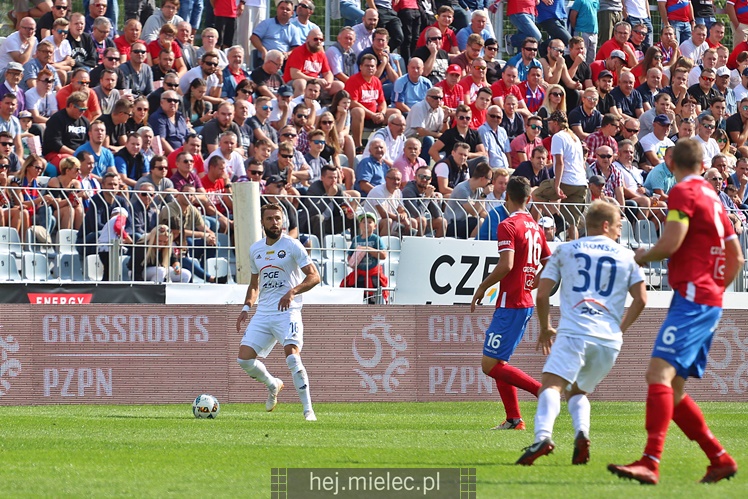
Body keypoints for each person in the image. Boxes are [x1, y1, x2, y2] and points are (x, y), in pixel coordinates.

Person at [608, 139, 743, 485]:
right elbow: (737, 259)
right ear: (702, 164)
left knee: (658, 375)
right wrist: (713, 290)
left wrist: (636, 256)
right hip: (707, 298)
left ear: (670, 162)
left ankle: (650, 462)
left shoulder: (682, 192)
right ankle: (719, 458)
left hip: (693, 298)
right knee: (675, 388)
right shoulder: (715, 197)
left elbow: (671, 242)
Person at [516, 200, 647, 465]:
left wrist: (545, 327)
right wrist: (619, 329)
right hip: (609, 341)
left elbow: (542, 294)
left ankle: (543, 437)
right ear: (606, 225)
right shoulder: (626, 255)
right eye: (619, 226)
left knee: (551, 386)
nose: (620, 231)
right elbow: (641, 299)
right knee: (577, 392)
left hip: (576, 331)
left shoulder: (565, 250)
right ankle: (582, 434)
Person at [470, 176, 551, 430]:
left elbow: (507, 265)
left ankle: (543, 392)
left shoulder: (508, 225)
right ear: (528, 199)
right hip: (523, 302)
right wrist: (531, 284)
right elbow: (549, 265)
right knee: (498, 362)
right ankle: (514, 419)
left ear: (506, 196)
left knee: (489, 365)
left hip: (511, 304)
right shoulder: (536, 227)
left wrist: (483, 286)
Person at [235, 203, 320, 420]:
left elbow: (314, 276)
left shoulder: (292, 245)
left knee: (292, 358)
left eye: (278, 218)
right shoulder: (256, 249)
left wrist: (292, 292)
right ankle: (273, 384)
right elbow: (255, 285)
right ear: (262, 222)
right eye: (270, 219)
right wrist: (246, 307)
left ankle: (308, 410)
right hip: (263, 312)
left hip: (287, 311)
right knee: (244, 360)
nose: (275, 222)